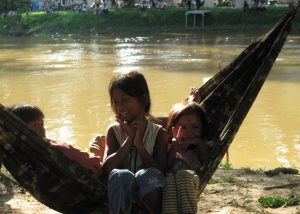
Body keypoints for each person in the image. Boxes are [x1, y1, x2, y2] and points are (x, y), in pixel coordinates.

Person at [103, 71, 168, 214]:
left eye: (125, 100)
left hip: (150, 197)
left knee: (148, 174)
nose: (120, 107)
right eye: (115, 102)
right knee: (121, 175)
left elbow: (161, 170)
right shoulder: (113, 131)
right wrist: (128, 141)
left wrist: (139, 145)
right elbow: (107, 168)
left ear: (143, 99)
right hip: (121, 196)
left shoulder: (158, 133)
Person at [6, 104, 103, 177]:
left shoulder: (18, 155)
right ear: (21, 130)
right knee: (102, 138)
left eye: (42, 124)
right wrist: (95, 150)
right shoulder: (58, 149)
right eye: (35, 125)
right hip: (100, 176)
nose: (42, 129)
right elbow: (98, 167)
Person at [162, 90, 214, 214]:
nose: (189, 132)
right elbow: (165, 167)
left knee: (183, 175)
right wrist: (174, 148)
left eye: (195, 127)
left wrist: (199, 142)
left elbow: (208, 162)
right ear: (173, 130)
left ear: (202, 130)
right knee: (168, 180)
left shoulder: (202, 145)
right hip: (172, 181)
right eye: (183, 127)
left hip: (191, 179)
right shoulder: (170, 146)